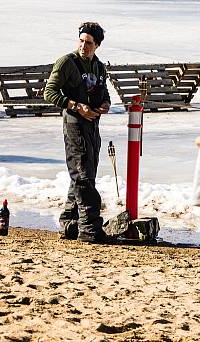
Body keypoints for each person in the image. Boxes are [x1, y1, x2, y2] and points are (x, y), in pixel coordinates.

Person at [44, 22, 112, 243]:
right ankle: (89, 229)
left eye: (89, 43)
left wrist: (105, 105)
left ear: (97, 45)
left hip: (93, 126)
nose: (84, 46)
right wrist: (75, 105)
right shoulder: (67, 63)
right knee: (82, 176)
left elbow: (105, 94)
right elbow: (49, 92)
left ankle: (68, 224)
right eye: (81, 41)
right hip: (74, 124)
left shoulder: (100, 67)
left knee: (85, 174)